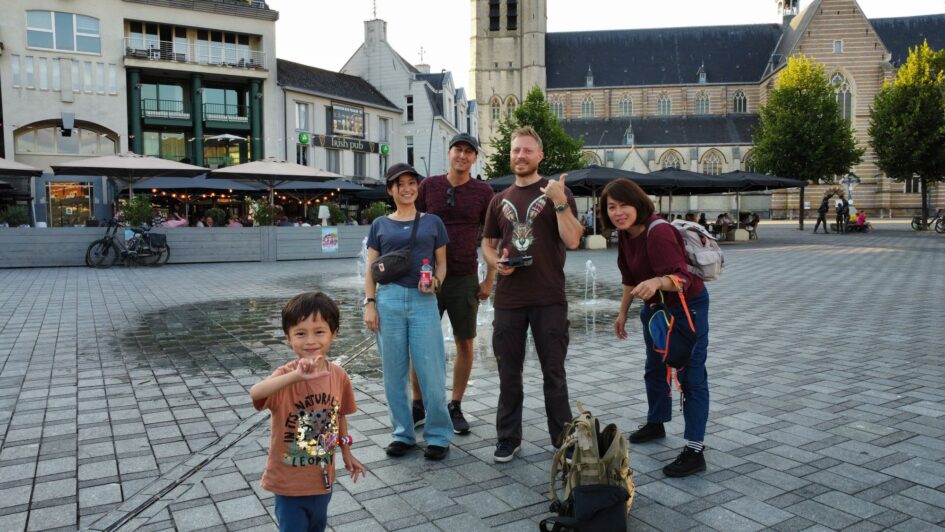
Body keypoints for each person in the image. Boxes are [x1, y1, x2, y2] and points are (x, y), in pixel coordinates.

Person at [481, 126, 583, 462]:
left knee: (554, 373)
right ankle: (508, 438)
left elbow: (573, 240)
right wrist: (497, 263)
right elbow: (488, 245)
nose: (520, 156)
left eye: (527, 150)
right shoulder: (498, 200)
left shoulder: (558, 192)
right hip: (509, 299)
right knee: (508, 373)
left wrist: (559, 202)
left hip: (549, 298)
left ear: (540, 155)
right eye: (516, 150)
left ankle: (564, 439)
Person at [602, 178, 711, 478]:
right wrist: (622, 314)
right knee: (655, 367)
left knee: (691, 376)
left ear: (638, 203)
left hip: (687, 309)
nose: (618, 212)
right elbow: (629, 279)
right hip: (656, 310)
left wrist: (657, 282)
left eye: (624, 205)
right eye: (611, 207)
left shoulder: (659, 232)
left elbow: (682, 278)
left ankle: (695, 450)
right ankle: (656, 422)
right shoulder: (626, 234)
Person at [249, 292, 367, 532]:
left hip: (323, 480)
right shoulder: (286, 376)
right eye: (300, 333)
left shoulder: (339, 375)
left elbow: (339, 416)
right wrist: (296, 376)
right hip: (289, 485)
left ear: (334, 333)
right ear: (288, 337)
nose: (310, 341)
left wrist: (346, 452)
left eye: (319, 331)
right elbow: (256, 393)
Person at [363, 162, 453, 461]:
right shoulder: (379, 224)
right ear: (390, 190)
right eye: (399, 184)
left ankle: (438, 435)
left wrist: (436, 282)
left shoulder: (433, 222)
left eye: (412, 183)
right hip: (388, 301)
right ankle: (402, 434)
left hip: (423, 301)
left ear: (418, 187)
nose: (407, 188)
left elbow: (442, 263)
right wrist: (370, 303)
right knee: (393, 373)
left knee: (432, 371)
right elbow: (371, 269)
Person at [412, 133, 495, 435]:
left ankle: (455, 404)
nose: (462, 155)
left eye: (468, 151)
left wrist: (489, 279)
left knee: (465, 341)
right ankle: (418, 403)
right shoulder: (429, 186)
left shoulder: (484, 191)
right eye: (458, 149)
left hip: (464, 275)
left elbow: (493, 237)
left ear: (475, 158)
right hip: (428, 277)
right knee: (419, 341)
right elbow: (413, 224)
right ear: (449, 153)